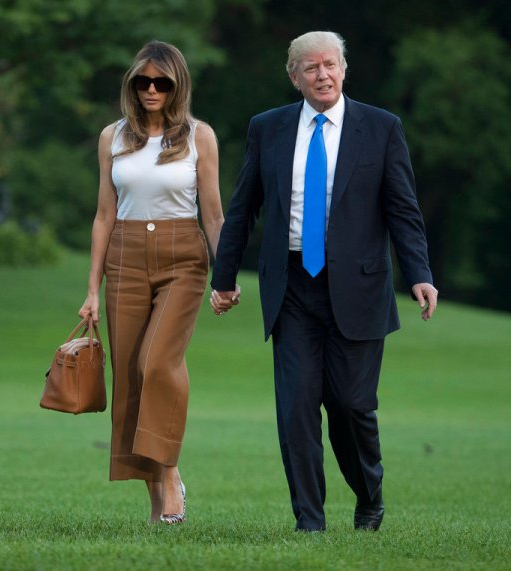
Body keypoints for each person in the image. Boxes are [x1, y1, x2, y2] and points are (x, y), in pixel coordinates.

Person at [210, 31, 438, 532]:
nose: (322, 75)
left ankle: (369, 494)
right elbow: (243, 207)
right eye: (310, 68)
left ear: (343, 68)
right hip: (291, 287)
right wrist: (223, 278)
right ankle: (309, 522)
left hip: (357, 289)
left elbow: (402, 211)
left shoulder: (381, 128)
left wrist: (419, 274)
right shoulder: (266, 128)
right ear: (294, 77)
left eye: (330, 65)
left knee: (352, 406)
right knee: (295, 411)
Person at [78, 41, 224, 524]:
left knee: (156, 362)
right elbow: (103, 215)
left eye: (162, 82)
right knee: (130, 375)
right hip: (124, 255)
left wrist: (224, 277)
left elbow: (213, 214)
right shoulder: (112, 137)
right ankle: (157, 494)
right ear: (132, 85)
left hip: (184, 257)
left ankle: (170, 472)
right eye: (143, 82)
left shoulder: (200, 136)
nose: (152, 90)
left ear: (178, 84)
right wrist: (90, 290)